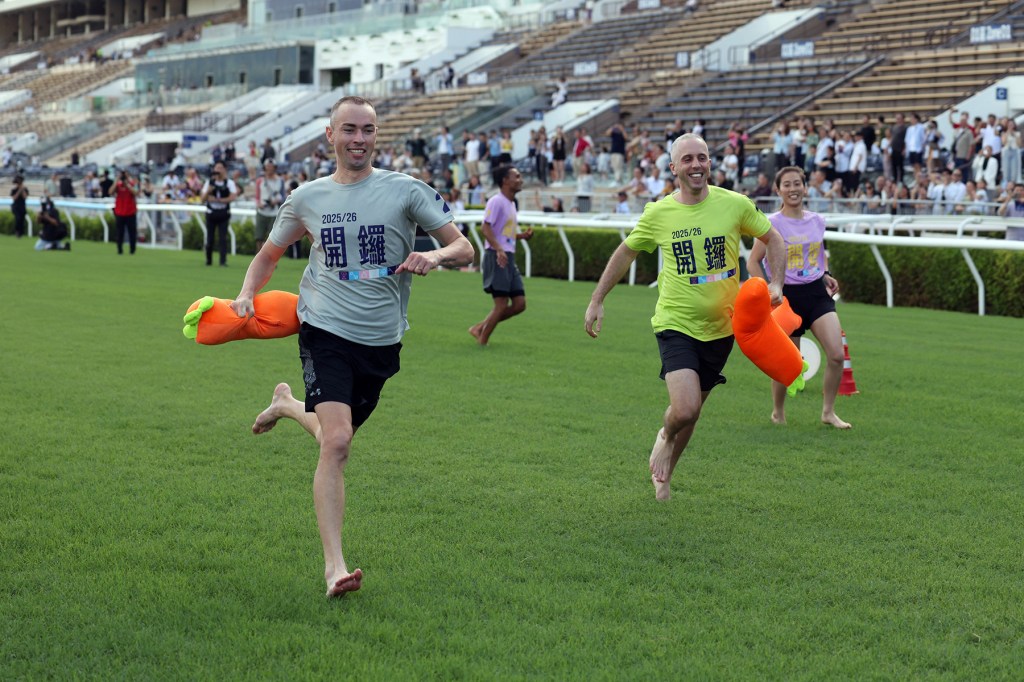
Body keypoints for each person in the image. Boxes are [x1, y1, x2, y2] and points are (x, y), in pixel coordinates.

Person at [228, 96, 473, 598]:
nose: (358, 138)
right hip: (322, 327)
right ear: (330, 135)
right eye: (349, 129)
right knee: (338, 442)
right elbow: (269, 254)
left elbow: (464, 246)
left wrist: (436, 255)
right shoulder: (307, 197)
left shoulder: (406, 191)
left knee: (331, 436)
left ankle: (287, 406)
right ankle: (334, 567)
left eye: (368, 130)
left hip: (382, 338)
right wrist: (247, 292)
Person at [584, 134, 786, 501]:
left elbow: (774, 239)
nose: (697, 165)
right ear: (673, 167)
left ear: (710, 163)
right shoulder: (659, 213)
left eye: (703, 158)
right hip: (675, 323)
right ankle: (664, 436)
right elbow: (626, 253)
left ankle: (667, 474)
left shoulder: (735, 204)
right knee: (686, 407)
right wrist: (597, 299)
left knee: (693, 413)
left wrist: (776, 283)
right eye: (688, 159)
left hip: (724, 328)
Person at [746, 167, 851, 430]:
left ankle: (828, 412)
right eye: (787, 184)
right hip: (786, 297)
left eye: (798, 184)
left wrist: (825, 273)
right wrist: (769, 291)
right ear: (778, 189)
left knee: (837, 355)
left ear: (805, 188)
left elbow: (818, 253)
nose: (793, 189)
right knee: (787, 362)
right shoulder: (770, 223)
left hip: (816, 292)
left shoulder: (817, 220)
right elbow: (752, 262)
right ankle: (778, 413)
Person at [469, 165, 533, 345]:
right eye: (517, 176)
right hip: (497, 256)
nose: (520, 180)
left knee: (520, 304)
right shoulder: (496, 201)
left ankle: (479, 328)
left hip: (507, 256)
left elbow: (503, 233)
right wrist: (498, 249)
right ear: (505, 181)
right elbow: (485, 227)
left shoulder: (511, 203)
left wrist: (521, 236)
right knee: (502, 303)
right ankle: (482, 341)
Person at [200, 161, 239, 266]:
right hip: (211, 212)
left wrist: (218, 200)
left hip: (223, 213)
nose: (218, 170)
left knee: (223, 238)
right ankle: (208, 260)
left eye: (220, 168)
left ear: (225, 170)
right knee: (210, 238)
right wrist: (208, 191)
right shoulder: (209, 183)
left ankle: (223, 261)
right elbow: (202, 199)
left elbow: (233, 197)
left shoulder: (229, 183)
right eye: (216, 168)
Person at [254, 161, 286, 253]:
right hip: (262, 210)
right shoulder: (260, 180)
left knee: (272, 237)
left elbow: (283, 196)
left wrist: (277, 201)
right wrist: (259, 204)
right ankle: (258, 258)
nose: (269, 168)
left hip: (274, 211)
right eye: (268, 166)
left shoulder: (280, 181)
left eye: (271, 166)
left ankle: (271, 258)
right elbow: (257, 196)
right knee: (259, 237)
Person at [112, 169, 139, 254]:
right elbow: (110, 191)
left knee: (132, 232)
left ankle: (132, 250)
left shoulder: (131, 184)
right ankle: (119, 249)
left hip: (130, 212)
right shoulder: (118, 185)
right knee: (120, 232)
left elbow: (136, 193)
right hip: (120, 212)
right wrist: (117, 180)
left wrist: (128, 184)